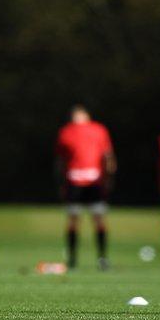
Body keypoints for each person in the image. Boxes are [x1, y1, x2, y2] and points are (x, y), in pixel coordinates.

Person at [55, 105, 116, 271]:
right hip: (74, 181)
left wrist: (108, 177)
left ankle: (102, 258)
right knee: (73, 219)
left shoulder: (98, 130)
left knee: (99, 219)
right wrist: (61, 183)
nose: (77, 118)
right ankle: (72, 259)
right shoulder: (66, 132)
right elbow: (60, 160)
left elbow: (108, 155)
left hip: (94, 182)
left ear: (87, 116)